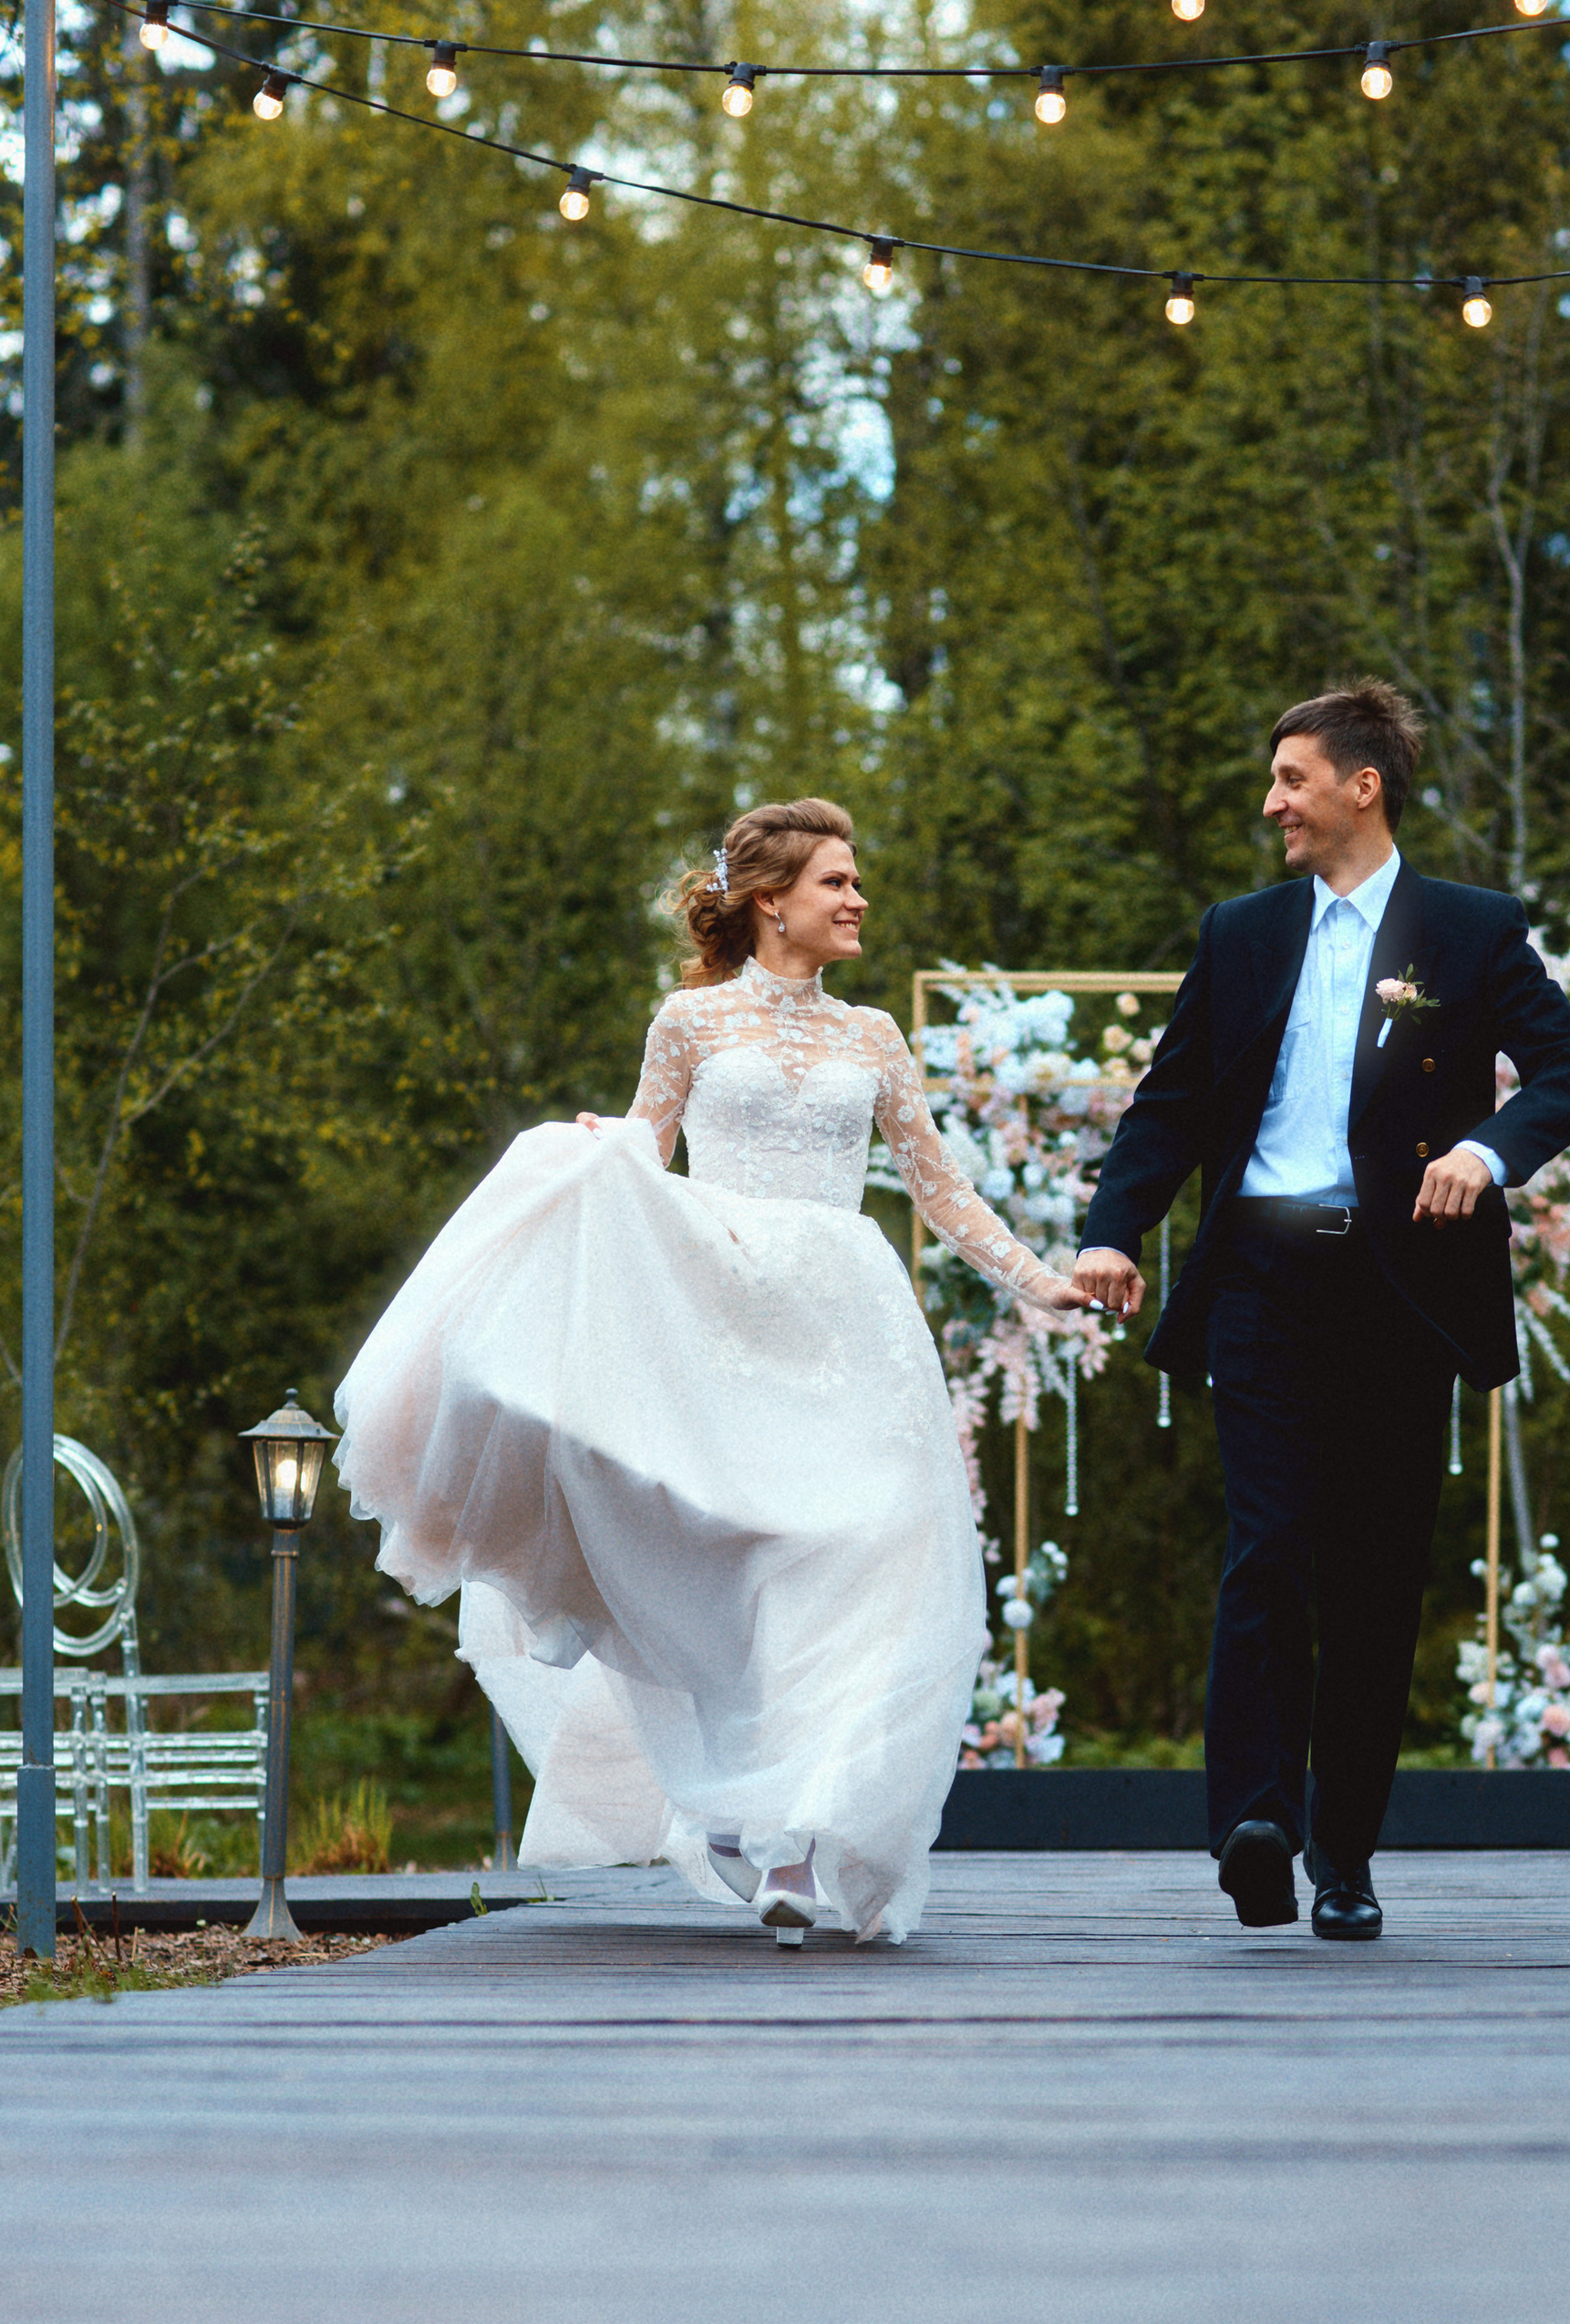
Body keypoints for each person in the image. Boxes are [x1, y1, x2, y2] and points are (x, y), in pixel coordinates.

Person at [336, 799, 1087, 1946]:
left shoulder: (874, 1037)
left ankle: (800, 1823)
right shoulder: (687, 1020)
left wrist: (1044, 1281)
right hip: (719, 1306)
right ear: (768, 900)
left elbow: (938, 1187)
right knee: (734, 1555)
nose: (856, 900)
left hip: (843, 1319)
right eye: (835, 882)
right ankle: (747, 1813)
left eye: (855, 880)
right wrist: (595, 1158)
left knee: (858, 1554)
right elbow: (648, 1146)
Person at [1073, 683, 1570, 1941]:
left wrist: (1487, 1151)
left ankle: (1347, 1856)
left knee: (1374, 1577)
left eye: (1292, 781)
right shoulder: (1244, 931)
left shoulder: (1471, 931)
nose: (1273, 804)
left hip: (1397, 1292)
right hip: (1261, 1277)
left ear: (1361, 787)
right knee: (1267, 1551)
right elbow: (1170, 1102)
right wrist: (1112, 1227)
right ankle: (1255, 1824)